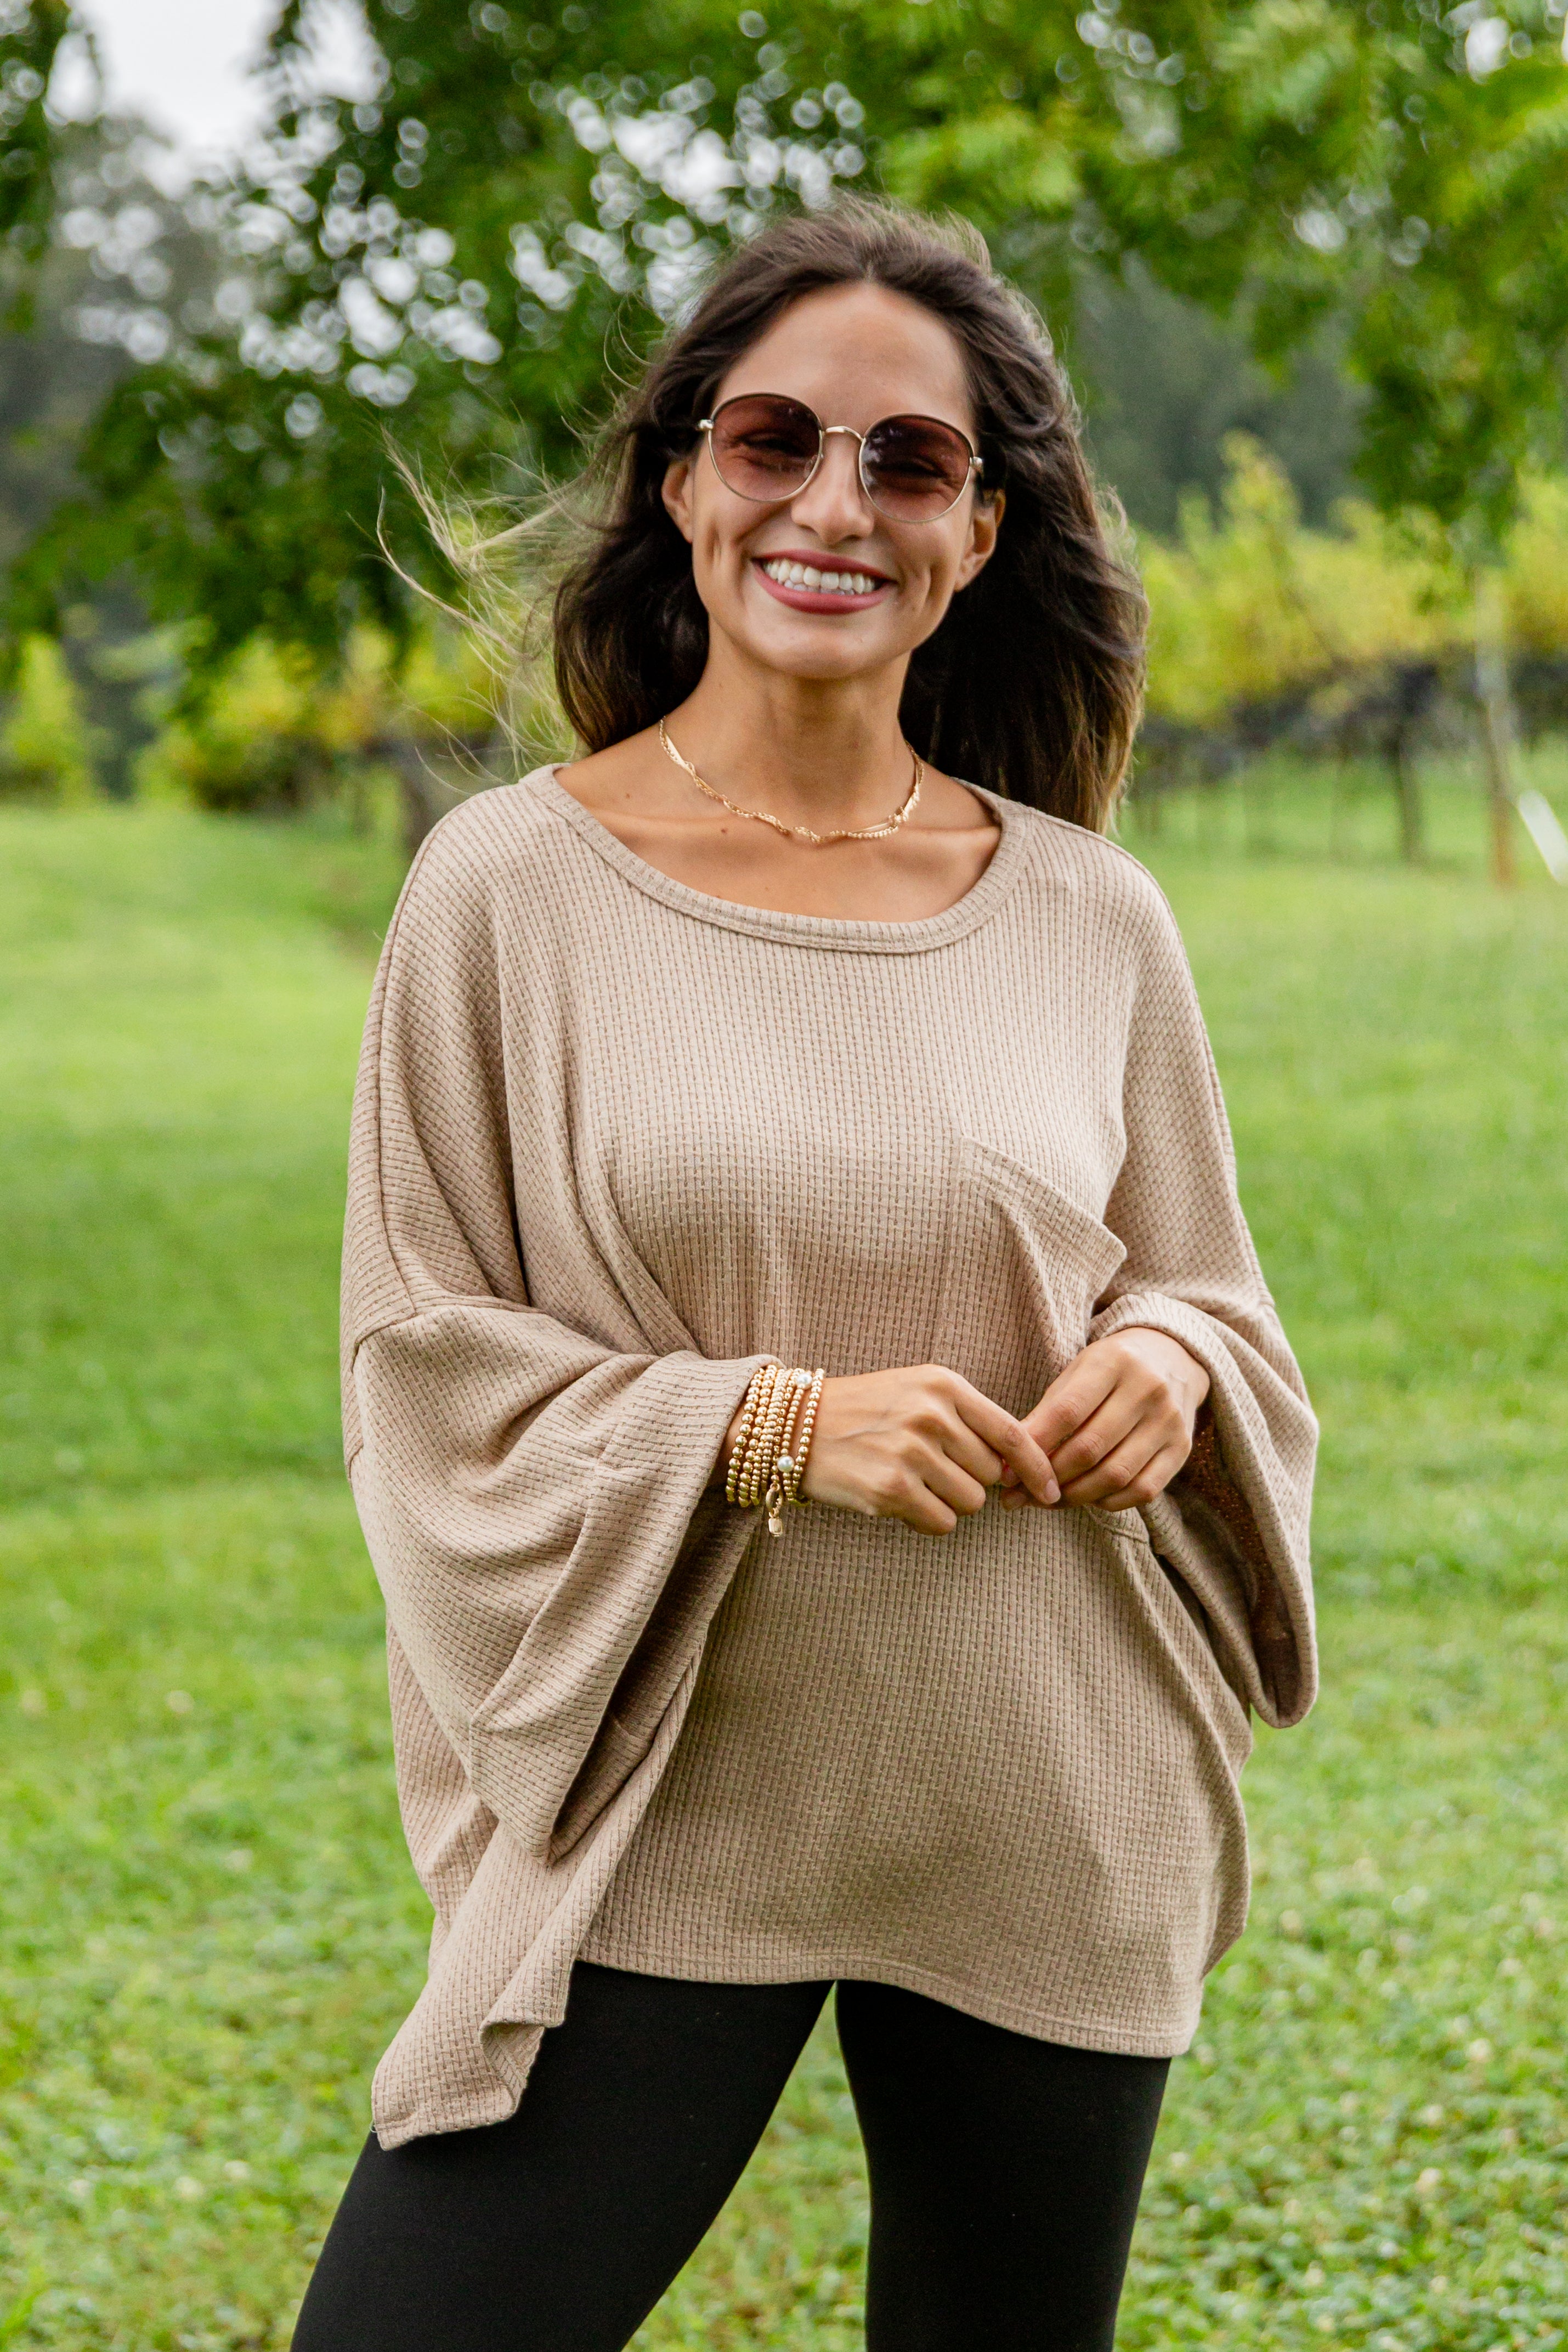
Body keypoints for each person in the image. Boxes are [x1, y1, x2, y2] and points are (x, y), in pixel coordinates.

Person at [295, 199, 1317, 2352]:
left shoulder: (1090, 917)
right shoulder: (505, 893)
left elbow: (1212, 1293)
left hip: (1043, 1782)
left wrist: (1168, 1360)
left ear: (979, 530)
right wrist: (771, 1427)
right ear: (683, 484)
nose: (833, 505)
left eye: (907, 460)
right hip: (668, 1801)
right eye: (773, 441)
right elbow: (421, 1361)